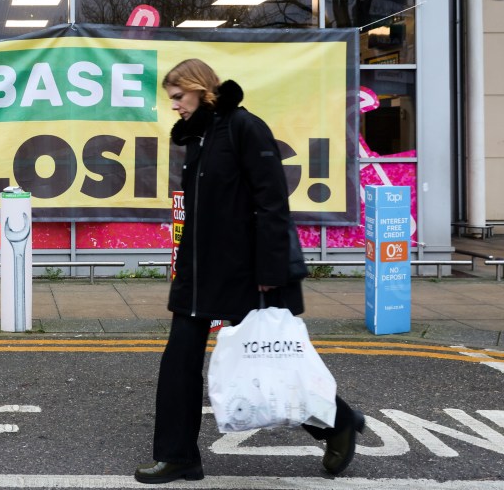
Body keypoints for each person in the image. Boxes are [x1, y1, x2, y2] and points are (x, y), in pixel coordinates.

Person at [134, 58, 364, 484]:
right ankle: (178, 456)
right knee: (179, 360)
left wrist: (271, 268)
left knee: (271, 360)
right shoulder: (200, 137)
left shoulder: (244, 127)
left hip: (247, 270)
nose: (174, 107)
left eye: (178, 97)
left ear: (201, 89)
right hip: (202, 271)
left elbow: (272, 200)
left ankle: (340, 421)